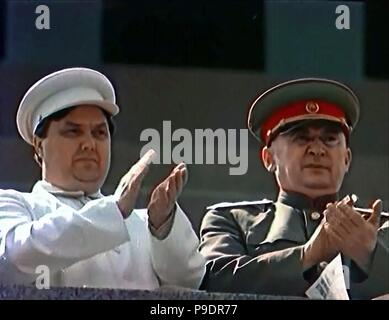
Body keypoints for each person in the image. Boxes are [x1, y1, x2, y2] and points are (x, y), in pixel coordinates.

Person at [0, 67, 205, 290]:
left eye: (99, 133)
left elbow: (190, 284)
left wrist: (163, 225)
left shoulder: (144, 223)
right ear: (39, 146)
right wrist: (114, 210)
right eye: (73, 132)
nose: (89, 144)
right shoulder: (15, 205)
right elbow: (12, 260)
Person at [199, 78, 388, 299]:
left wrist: (371, 257)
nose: (317, 149)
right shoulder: (231, 220)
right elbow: (210, 281)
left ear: (346, 159)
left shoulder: (381, 229)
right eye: (301, 138)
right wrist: (305, 257)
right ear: (268, 158)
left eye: (329, 139)